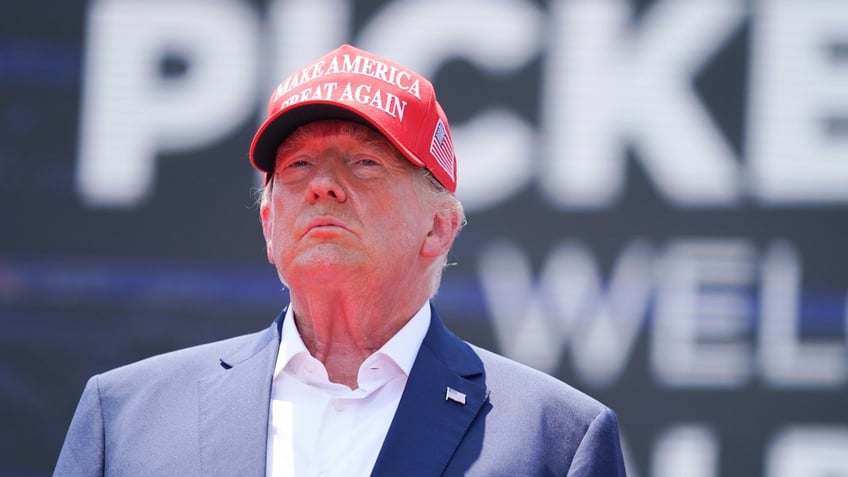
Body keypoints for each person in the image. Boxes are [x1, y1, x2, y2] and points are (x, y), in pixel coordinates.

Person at [54, 44, 626, 476]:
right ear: (270, 225)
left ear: (439, 227)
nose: (323, 185)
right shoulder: (126, 417)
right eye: (298, 165)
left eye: (364, 162)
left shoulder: (555, 439)